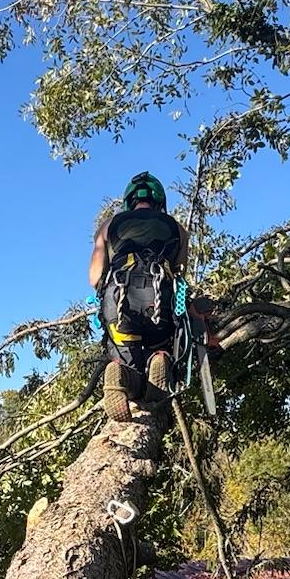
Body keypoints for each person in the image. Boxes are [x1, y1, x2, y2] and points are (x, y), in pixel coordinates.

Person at [90, 172, 187, 421]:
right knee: (162, 345)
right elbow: (180, 274)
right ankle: (159, 358)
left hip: (119, 303)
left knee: (126, 360)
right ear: (159, 201)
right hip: (157, 303)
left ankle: (120, 373)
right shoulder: (177, 228)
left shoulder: (108, 226)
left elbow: (94, 278)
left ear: (128, 201)